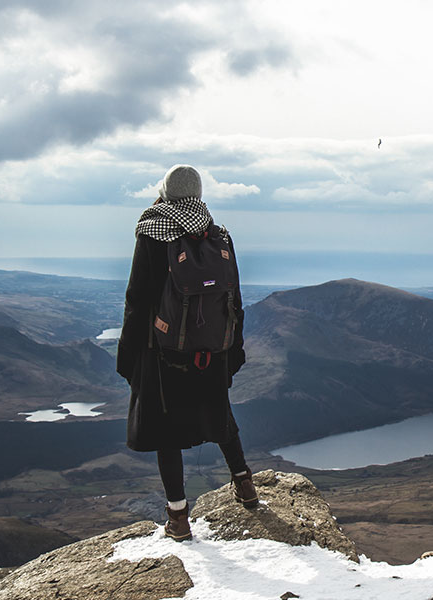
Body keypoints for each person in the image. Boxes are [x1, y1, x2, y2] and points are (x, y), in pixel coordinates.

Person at [116, 164, 257, 542]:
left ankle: (178, 520)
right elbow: (234, 300)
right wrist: (233, 349)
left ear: (165, 192)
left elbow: (137, 298)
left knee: (166, 432)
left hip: (162, 352)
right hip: (212, 350)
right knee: (219, 413)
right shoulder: (218, 235)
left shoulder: (153, 232)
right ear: (197, 194)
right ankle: (245, 484)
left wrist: (127, 354)